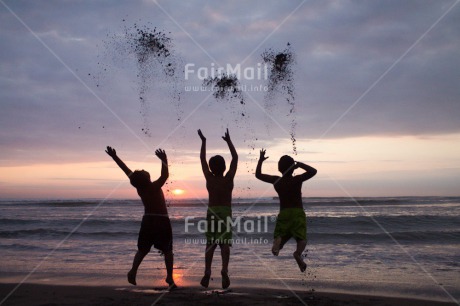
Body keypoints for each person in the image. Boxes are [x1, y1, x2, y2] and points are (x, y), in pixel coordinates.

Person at [105, 146, 176, 289]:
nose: (142, 169)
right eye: (142, 171)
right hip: (161, 220)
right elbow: (164, 176)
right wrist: (164, 160)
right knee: (167, 250)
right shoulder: (153, 186)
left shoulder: (140, 188)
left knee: (143, 249)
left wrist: (115, 157)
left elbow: (126, 170)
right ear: (146, 178)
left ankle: (133, 271)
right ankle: (169, 277)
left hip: (147, 220)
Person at [255, 149, 317, 272]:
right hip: (297, 213)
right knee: (301, 238)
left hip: (284, 213)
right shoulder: (297, 179)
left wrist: (260, 160)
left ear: (279, 169)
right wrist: (300, 164)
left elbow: (258, 175)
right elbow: (313, 171)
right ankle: (298, 254)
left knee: (282, 235)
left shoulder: (276, 180)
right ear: (293, 169)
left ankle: (279, 244)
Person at [197, 128, 238, 289]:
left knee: (210, 243)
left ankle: (207, 271)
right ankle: (224, 270)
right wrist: (228, 141)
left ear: (211, 168)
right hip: (226, 213)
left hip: (212, 212)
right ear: (224, 167)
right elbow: (235, 158)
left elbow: (202, 159)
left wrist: (203, 141)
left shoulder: (209, 178)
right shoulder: (229, 178)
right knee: (224, 244)